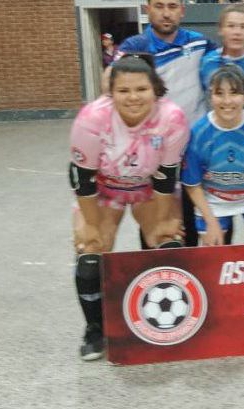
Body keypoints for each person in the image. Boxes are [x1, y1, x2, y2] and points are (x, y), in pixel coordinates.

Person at [118, 0, 244, 247]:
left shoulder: (199, 44)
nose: (166, 13)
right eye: (158, 6)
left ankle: (191, 281)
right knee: (158, 220)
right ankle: (158, 278)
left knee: (192, 220)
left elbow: (232, 47)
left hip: (195, 144)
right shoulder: (135, 46)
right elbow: (113, 81)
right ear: (148, 9)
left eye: (171, 6)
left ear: (182, 10)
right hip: (154, 147)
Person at [69, 53, 190, 360]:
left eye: (141, 90)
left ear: (155, 90)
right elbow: (82, 180)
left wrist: (164, 221)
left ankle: (163, 324)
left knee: (168, 242)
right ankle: (95, 329)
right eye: (123, 91)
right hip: (103, 189)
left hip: (148, 187)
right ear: (111, 93)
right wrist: (91, 226)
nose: (133, 97)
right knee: (91, 250)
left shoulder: (172, 118)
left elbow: (165, 178)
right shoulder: (92, 118)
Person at [182, 65, 244, 246]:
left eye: (234, 93)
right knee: (213, 254)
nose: (227, 101)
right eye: (219, 93)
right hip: (214, 202)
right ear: (211, 97)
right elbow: (192, 185)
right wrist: (210, 222)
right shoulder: (198, 132)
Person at [199, 5, 244, 118]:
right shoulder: (208, 62)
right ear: (220, 30)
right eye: (231, 26)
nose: (237, 32)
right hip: (224, 127)